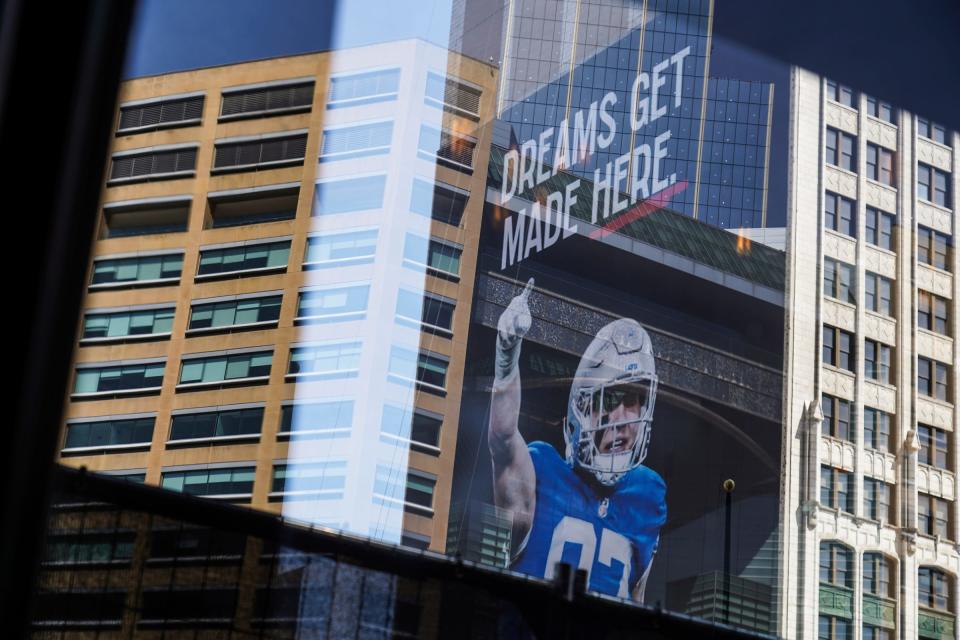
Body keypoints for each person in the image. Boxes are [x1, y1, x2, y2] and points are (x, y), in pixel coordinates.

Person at [488, 278, 667, 601]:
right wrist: (506, 356)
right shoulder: (542, 470)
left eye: (634, 401)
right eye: (611, 401)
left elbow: (636, 602)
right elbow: (502, 437)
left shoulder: (648, 496)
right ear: (582, 409)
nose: (624, 420)